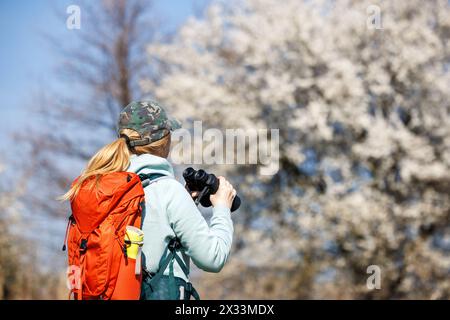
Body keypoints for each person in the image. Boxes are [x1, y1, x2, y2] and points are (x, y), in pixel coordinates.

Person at [62, 100, 235, 300]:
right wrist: (222, 207)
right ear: (164, 141)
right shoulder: (169, 192)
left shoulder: (101, 191)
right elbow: (212, 258)